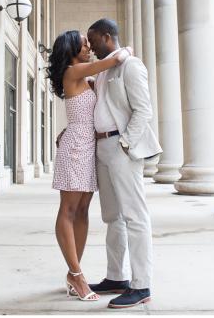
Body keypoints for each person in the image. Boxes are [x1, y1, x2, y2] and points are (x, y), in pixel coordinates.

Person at [46, 29, 130, 302]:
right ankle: (77, 275)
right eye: (83, 44)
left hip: (88, 147)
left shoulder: (84, 76)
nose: (88, 48)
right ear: (71, 50)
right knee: (68, 210)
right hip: (74, 150)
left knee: (82, 211)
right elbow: (113, 61)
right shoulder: (75, 71)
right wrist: (127, 51)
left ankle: (74, 272)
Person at [85, 18, 162, 308]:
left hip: (121, 148)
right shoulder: (104, 70)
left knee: (134, 216)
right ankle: (117, 276)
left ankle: (141, 285)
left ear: (107, 36)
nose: (90, 47)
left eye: (94, 40)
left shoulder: (131, 66)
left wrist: (126, 143)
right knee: (111, 217)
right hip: (101, 147)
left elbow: (144, 111)